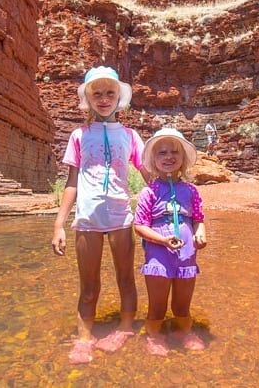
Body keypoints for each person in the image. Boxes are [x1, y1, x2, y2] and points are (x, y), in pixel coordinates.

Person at [51, 66, 148, 364]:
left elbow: (147, 174)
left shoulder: (130, 136)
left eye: (110, 93)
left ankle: (125, 329)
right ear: (88, 98)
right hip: (88, 220)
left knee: (125, 279)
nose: (104, 99)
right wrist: (59, 224)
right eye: (97, 93)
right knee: (89, 285)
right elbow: (71, 182)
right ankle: (83, 338)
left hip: (121, 218)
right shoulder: (79, 135)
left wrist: (171, 204)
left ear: (119, 97)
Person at [133, 128, 208, 356]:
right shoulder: (149, 192)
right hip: (159, 258)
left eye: (174, 152)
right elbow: (139, 226)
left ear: (183, 158)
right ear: (153, 161)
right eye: (162, 153)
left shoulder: (191, 191)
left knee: (182, 306)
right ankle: (154, 337)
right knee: (157, 306)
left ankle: (184, 332)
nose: (168, 156)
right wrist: (163, 240)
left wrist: (200, 234)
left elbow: (198, 219)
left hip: (186, 259)